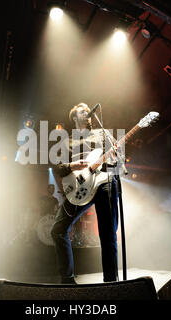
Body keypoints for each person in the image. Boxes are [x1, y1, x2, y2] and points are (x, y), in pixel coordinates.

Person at [51, 102, 120, 284]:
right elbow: (57, 167)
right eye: (83, 111)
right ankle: (67, 281)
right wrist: (72, 165)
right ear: (75, 117)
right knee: (57, 230)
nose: (87, 113)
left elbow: (117, 161)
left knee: (108, 235)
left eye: (88, 111)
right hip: (80, 187)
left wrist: (116, 154)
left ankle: (110, 284)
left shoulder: (102, 133)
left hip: (104, 182)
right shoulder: (67, 141)